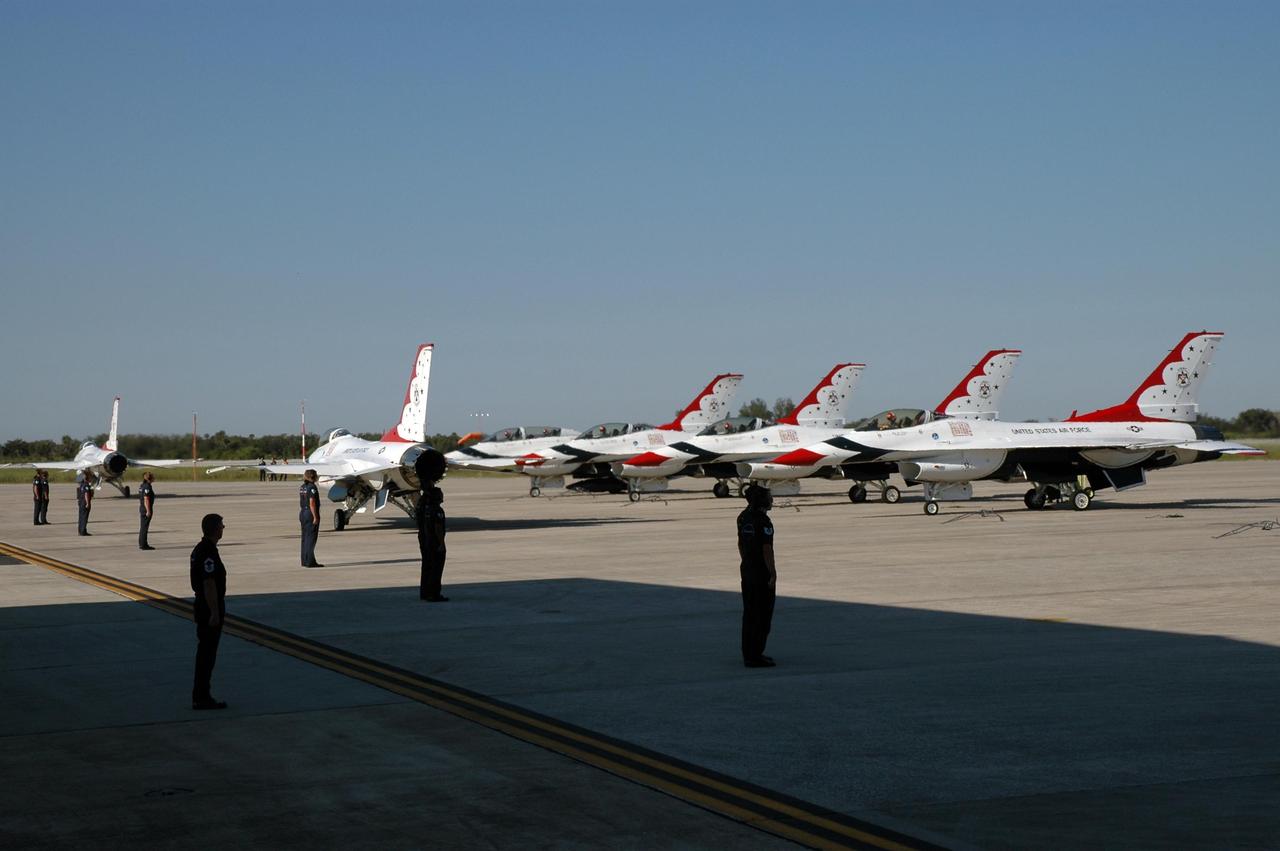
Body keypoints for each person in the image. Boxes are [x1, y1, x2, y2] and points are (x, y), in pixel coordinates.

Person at [190, 513, 228, 710]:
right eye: (222, 525)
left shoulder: (202, 548)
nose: (224, 528)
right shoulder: (208, 552)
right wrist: (214, 612)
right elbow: (209, 583)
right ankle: (202, 696)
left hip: (203, 605)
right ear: (215, 529)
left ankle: (201, 694)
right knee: (207, 654)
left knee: (205, 654)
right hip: (208, 607)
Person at [737, 484, 777, 668]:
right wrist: (772, 573)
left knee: (750, 613)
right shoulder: (764, 522)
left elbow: (740, 544)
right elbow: (767, 549)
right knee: (762, 615)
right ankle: (756, 655)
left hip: (747, 570)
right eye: (769, 497)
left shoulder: (743, 517)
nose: (772, 500)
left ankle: (749, 653)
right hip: (761, 573)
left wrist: (746, 561)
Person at [414, 448, 448, 601]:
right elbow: (438, 528)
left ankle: (424, 592)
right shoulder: (436, 510)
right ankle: (434, 593)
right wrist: (441, 544)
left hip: (423, 540)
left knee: (426, 566)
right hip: (434, 542)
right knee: (436, 568)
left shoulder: (422, 505)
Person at [299, 469, 322, 567]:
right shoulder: (312, 487)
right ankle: (310, 561)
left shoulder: (302, 487)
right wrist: (315, 517)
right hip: (310, 513)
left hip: (303, 512)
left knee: (304, 538)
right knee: (311, 538)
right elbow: (312, 502)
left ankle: (304, 560)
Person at [138, 472, 156, 550]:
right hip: (145, 509)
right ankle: (144, 545)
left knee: (143, 527)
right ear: (150, 478)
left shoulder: (142, 486)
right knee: (144, 527)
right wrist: (148, 511)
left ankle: (142, 543)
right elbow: (146, 499)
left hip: (142, 508)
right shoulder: (147, 487)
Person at [76, 471, 95, 536]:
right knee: (84, 518)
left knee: (80, 517)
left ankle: (80, 531)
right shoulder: (86, 485)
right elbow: (86, 494)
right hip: (84, 503)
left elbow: (79, 494)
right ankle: (83, 531)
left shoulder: (81, 485)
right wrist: (88, 503)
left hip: (81, 503)